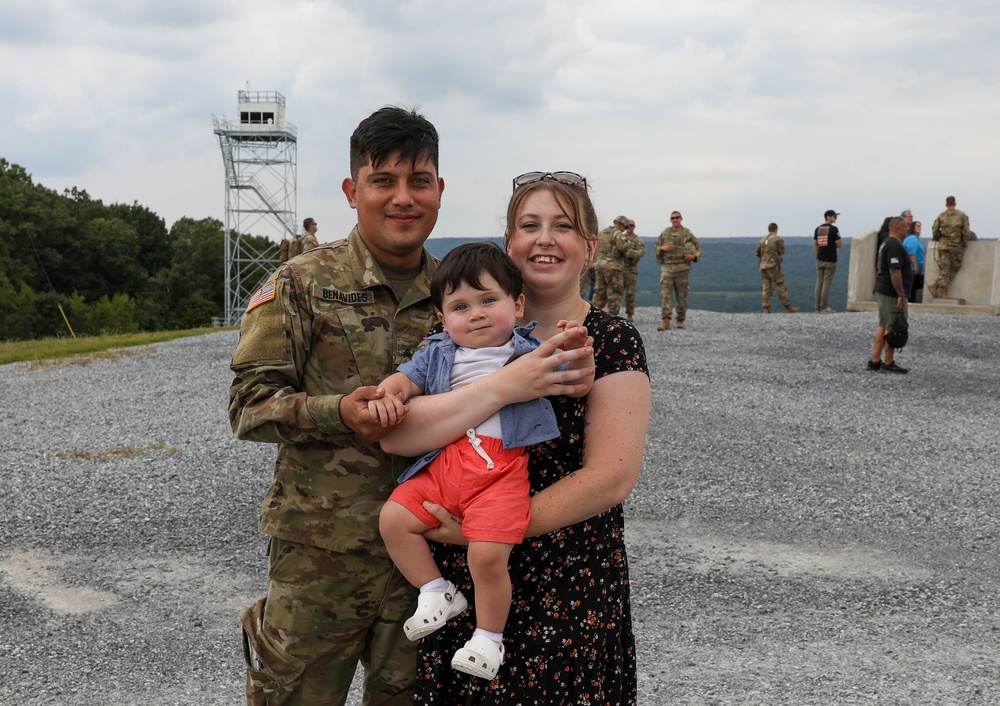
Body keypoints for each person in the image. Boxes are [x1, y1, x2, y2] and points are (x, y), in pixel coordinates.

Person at [378, 171, 650, 704]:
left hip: (569, 588)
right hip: (466, 595)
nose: (544, 238)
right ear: (509, 244)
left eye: (563, 226)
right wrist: (507, 385)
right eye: (530, 225)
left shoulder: (609, 340)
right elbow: (398, 437)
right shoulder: (455, 336)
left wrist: (489, 531)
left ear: (590, 248)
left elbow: (611, 477)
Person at [228, 105, 446, 706]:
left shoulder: (463, 295)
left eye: (418, 181)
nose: (403, 198)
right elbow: (247, 404)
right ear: (353, 191)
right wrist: (336, 412)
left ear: (439, 190)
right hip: (319, 562)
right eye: (384, 181)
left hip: (428, 562)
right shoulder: (301, 283)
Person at [370, 242, 594, 681]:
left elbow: (573, 378)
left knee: (488, 556)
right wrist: (388, 394)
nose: (475, 313)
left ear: (517, 303)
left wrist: (575, 345)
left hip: (501, 470)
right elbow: (406, 378)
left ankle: (489, 638)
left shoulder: (527, 351)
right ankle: (436, 590)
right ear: (442, 318)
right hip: (445, 464)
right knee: (394, 519)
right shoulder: (437, 351)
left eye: (488, 300)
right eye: (459, 306)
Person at [868, 216, 912, 374]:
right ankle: (888, 362)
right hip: (890, 292)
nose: (908, 230)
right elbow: (895, 271)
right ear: (898, 228)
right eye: (906, 227)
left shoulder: (886, 242)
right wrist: (901, 294)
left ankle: (874, 361)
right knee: (892, 326)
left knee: (883, 324)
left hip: (882, 289)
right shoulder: (893, 244)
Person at [655, 210, 702, 330]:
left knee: (682, 296)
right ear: (670, 220)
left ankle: (680, 320)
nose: (675, 220)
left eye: (677, 217)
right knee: (666, 295)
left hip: (682, 268)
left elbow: (699, 248)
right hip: (668, 268)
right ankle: (666, 321)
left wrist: (694, 256)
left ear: (681, 219)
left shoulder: (687, 233)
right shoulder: (665, 232)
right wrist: (662, 248)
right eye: (672, 218)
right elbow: (656, 247)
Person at [929, 195, 972, 299]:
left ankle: (937, 287)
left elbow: (935, 230)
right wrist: (965, 243)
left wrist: (938, 238)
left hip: (943, 245)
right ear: (955, 203)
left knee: (945, 269)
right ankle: (942, 291)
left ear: (946, 204)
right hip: (956, 246)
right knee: (953, 268)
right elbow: (966, 231)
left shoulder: (941, 215)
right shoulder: (961, 215)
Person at [755, 223, 799, 314]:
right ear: (776, 229)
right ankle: (787, 307)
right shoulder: (778, 239)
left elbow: (757, 252)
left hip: (763, 266)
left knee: (766, 287)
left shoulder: (762, 240)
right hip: (773, 266)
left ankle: (766, 308)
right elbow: (781, 251)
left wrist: (764, 258)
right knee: (780, 285)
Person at [591, 215, 630, 315]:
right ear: (622, 225)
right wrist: (627, 242)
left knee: (599, 292)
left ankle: (594, 317)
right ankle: (612, 318)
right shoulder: (618, 234)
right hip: (612, 267)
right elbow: (622, 247)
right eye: (624, 228)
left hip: (599, 265)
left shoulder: (602, 233)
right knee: (615, 293)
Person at [814, 209, 842, 313]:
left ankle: (817, 307)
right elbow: (840, 244)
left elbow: (815, 244)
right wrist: (832, 245)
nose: (836, 218)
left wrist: (818, 254)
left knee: (819, 283)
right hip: (830, 259)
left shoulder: (818, 229)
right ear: (828, 217)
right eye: (834, 216)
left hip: (820, 259)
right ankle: (823, 306)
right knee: (826, 283)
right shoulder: (834, 229)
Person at [621, 219, 647, 321]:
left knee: (630, 293)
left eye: (631, 225)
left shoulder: (638, 240)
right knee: (615, 293)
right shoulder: (620, 238)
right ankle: (613, 313)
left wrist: (630, 253)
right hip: (619, 269)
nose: (629, 227)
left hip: (631, 269)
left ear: (634, 226)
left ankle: (629, 314)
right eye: (627, 225)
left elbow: (642, 252)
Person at [903, 220, 925, 303]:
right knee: (912, 288)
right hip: (912, 268)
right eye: (917, 226)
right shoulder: (912, 239)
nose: (919, 228)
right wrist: (915, 266)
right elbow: (911, 253)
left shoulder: (914, 238)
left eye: (920, 226)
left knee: (914, 288)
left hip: (913, 268)